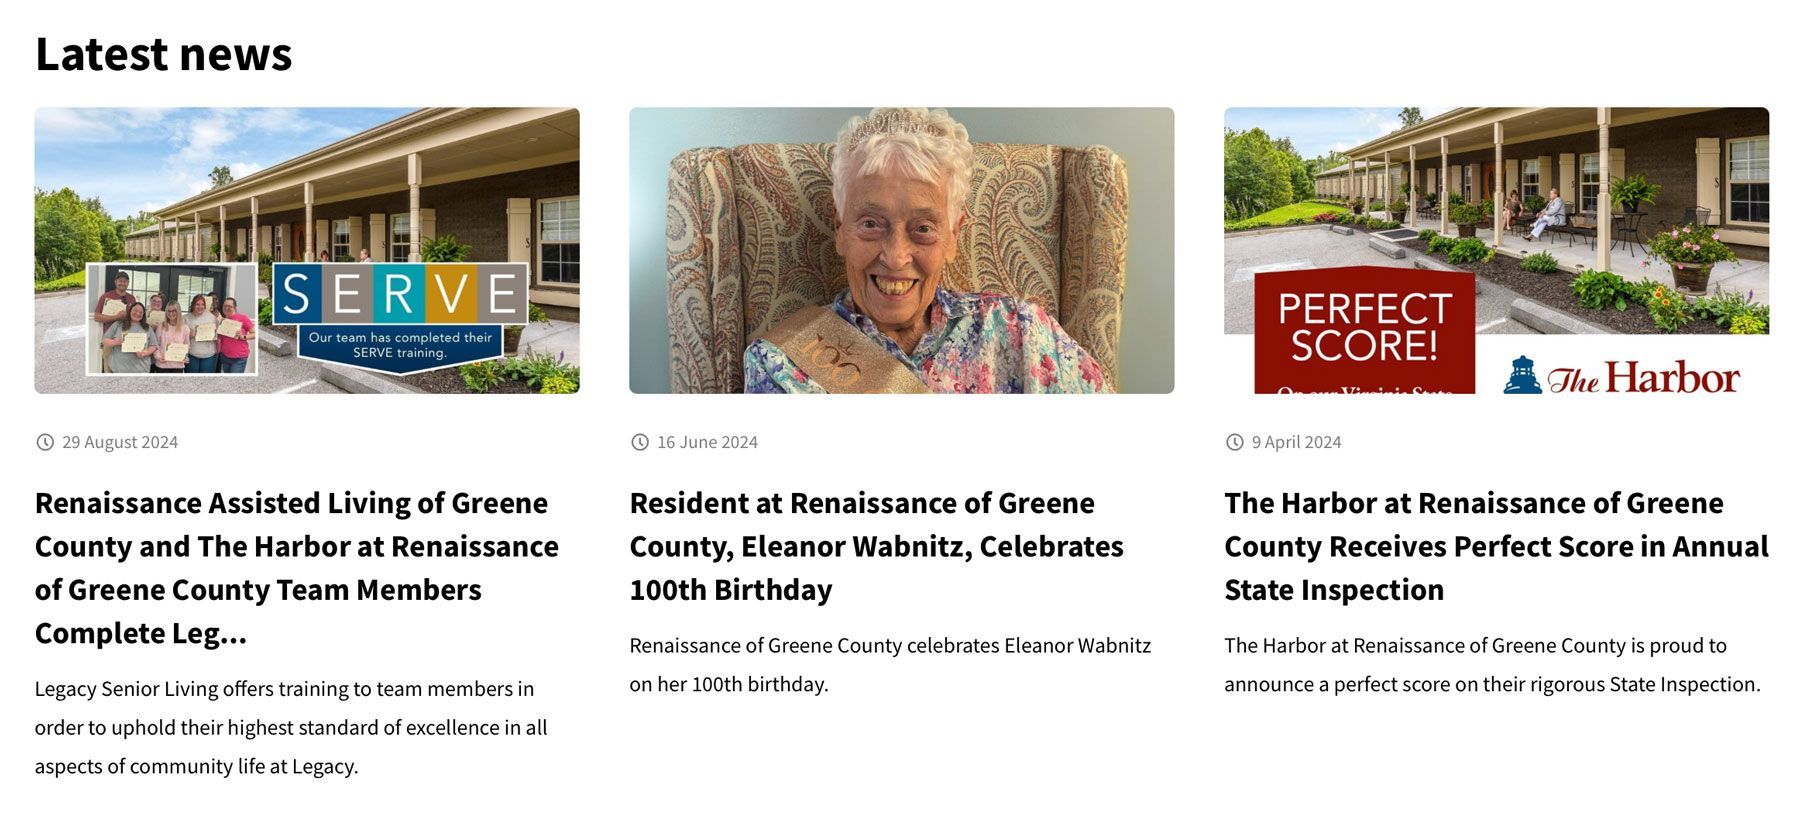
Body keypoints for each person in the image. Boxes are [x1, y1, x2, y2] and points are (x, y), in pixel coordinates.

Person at [742, 107, 1112, 394]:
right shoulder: (782, 364)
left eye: (923, 229)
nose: (895, 256)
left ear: (953, 236)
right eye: (871, 224)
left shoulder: (1023, 333)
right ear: (840, 228)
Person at [101, 302, 159, 374]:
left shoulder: (147, 327)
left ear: (143, 315)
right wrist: (114, 342)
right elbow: (104, 340)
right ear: (130, 311)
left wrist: (145, 353)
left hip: (141, 368)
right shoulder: (118, 324)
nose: (137, 313)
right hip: (118, 368)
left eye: (141, 312)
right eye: (135, 310)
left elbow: (153, 345)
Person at [217, 296, 256, 373]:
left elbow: (255, 334)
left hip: (239, 358)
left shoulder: (243, 318)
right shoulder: (222, 320)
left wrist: (243, 336)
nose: (226, 308)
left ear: (235, 307)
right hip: (225, 356)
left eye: (229, 306)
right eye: (225, 306)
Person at [184, 294, 222, 373]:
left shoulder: (212, 317)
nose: (200, 307)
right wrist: (189, 334)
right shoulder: (186, 318)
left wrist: (214, 334)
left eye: (202, 304)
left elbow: (219, 333)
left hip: (209, 354)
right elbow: (179, 336)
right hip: (191, 354)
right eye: (197, 304)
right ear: (193, 305)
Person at [151, 306, 189, 374]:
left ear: (178, 312)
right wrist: (158, 357)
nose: (171, 313)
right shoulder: (161, 326)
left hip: (178, 365)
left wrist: (185, 356)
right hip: (162, 364)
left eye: (174, 311)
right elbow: (156, 345)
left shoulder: (185, 328)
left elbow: (187, 345)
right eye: (169, 311)